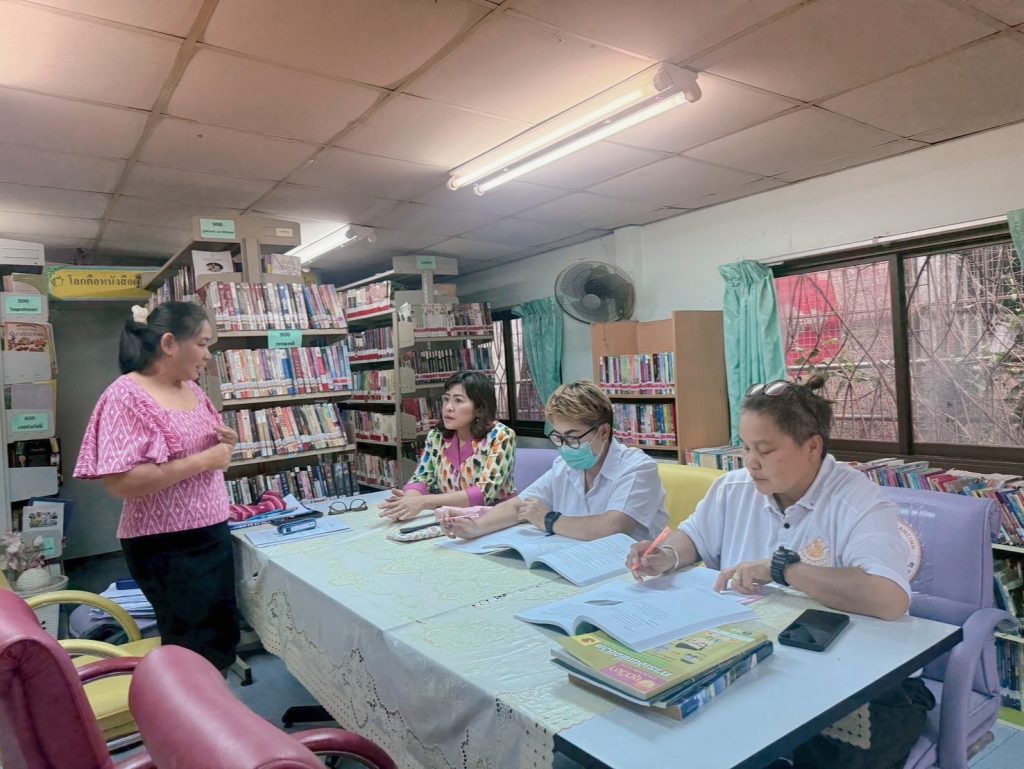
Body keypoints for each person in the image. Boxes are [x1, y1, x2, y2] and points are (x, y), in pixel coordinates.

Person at [627, 376, 933, 769]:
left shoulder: (857, 501)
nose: (750, 462)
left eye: (765, 450)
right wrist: (665, 556)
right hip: (766, 668)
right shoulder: (733, 489)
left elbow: (888, 599)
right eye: (745, 447)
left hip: (867, 685)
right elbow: (693, 537)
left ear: (812, 447)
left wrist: (784, 570)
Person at [74, 302, 239, 672]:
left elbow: (210, 454)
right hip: (166, 543)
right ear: (169, 343)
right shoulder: (126, 395)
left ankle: (214, 701)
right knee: (190, 646)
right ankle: (190, 706)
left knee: (220, 636)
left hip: (212, 530)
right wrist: (204, 460)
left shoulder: (193, 390)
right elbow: (121, 482)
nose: (208, 355)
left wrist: (224, 444)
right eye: (202, 344)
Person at [442, 380, 668, 541]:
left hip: (630, 572)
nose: (565, 446)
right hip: (576, 560)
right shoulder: (564, 466)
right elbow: (520, 506)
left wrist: (549, 520)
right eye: (559, 437)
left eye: (572, 437)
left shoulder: (637, 468)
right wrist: (475, 527)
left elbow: (612, 527)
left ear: (603, 431)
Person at [377, 370, 516, 522]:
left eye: (458, 400)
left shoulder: (501, 436)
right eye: (446, 399)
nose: (448, 407)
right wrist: (409, 500)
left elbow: (483, 493)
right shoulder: (436, 436)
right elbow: (421, 477)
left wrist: (423, 502)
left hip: (495, 518)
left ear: (479, 409)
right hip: (451, 517)